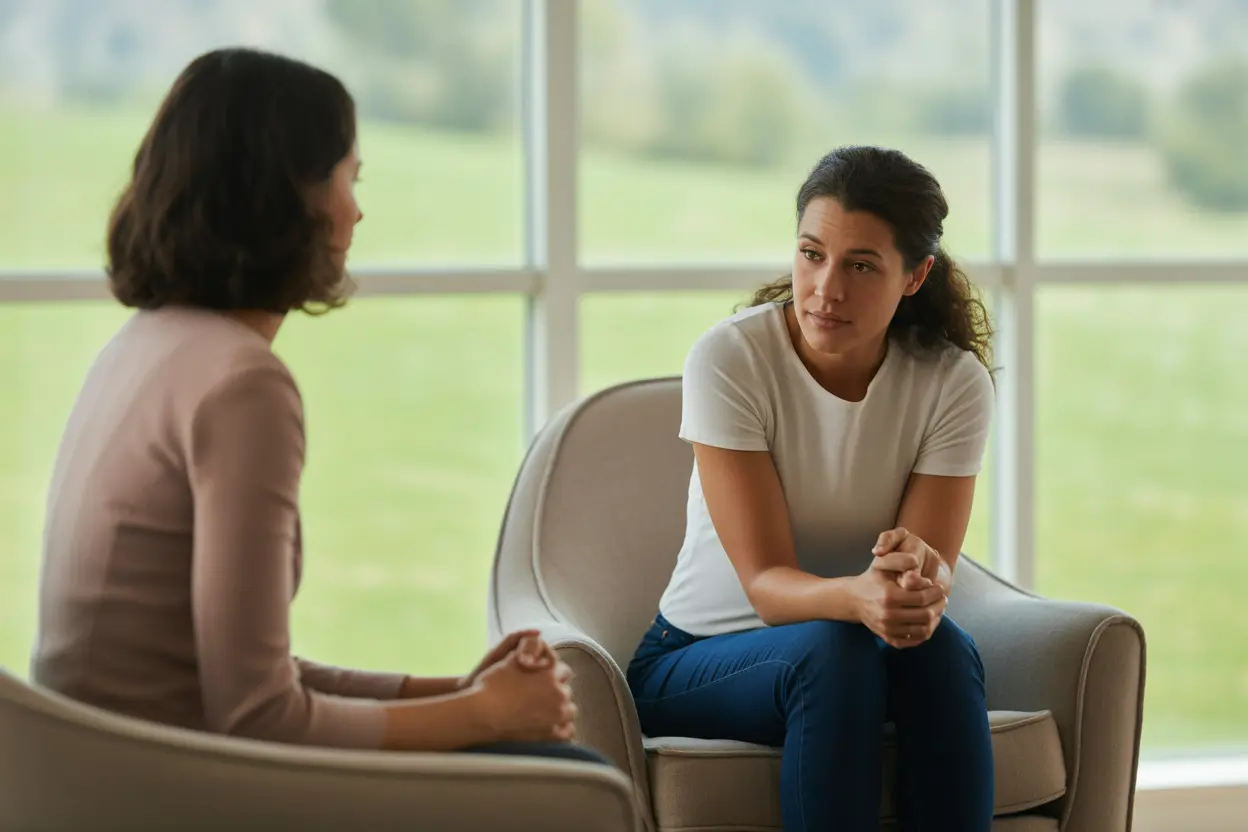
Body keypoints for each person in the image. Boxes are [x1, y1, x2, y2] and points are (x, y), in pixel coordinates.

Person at [31, 47, 603, 764]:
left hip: (91, 766)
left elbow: (228, 676)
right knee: (572, 777)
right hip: (158, 785)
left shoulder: (146, 344)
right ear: (284, 195)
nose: (356, 210)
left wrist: (457, 692)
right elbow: (258, 718)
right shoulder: (242, 385)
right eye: (346, 177)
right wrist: (484, 717)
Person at [626, 146, 997, 830]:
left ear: (915, 276)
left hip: (852, 651)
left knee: (943, 649)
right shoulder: (731, 359)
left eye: (861, 265)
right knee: (834, 650)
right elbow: (766, 584)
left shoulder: (952, 382)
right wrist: (857, 599)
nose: (827, 288)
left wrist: (912, 587)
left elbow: (923, 574)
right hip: (695, 660)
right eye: (811, 254)